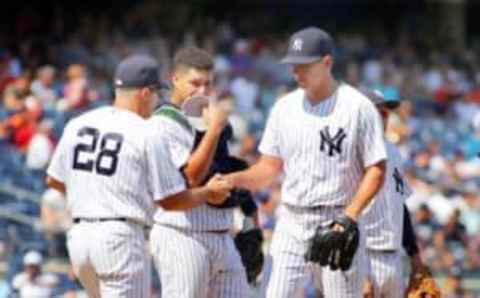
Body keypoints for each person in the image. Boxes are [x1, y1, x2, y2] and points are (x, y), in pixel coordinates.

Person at [45, 54, 232, 298]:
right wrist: (208, 192)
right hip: (120, 240)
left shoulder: (79, 123)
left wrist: (96, 193)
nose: (157, 101)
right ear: (145, 93)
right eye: (156, 94)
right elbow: (172, 201)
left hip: (80, 239)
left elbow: (54, 180)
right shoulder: (146, 131)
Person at [224, 27, 387, 298]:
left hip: (338, 218)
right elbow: (269, 168)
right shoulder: (283, 108)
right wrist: (233, 180)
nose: (296, 72)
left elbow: (376, 170)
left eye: (304, 65)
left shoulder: (358, 107)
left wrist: (350, 216)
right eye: (293, 66)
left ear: (327, 62)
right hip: (291, 220)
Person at [149, 46, 252, 298]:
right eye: (195, 83)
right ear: (175, 78)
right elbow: (191, 178)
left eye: (208, 84)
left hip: (222, 234)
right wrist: (214, 130)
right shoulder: (163, 122)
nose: (203, 91)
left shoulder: (207, 117)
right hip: (183, 235)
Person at [360, 89, 429, 298]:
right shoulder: (351, 152)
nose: (385, 116)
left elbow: (400, 207)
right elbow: (341, 212)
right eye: (378, 112)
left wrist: (415, 256)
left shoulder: (393, 150)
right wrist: (357, 270)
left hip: (394, 259)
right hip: (364, 257)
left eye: (386, 112)